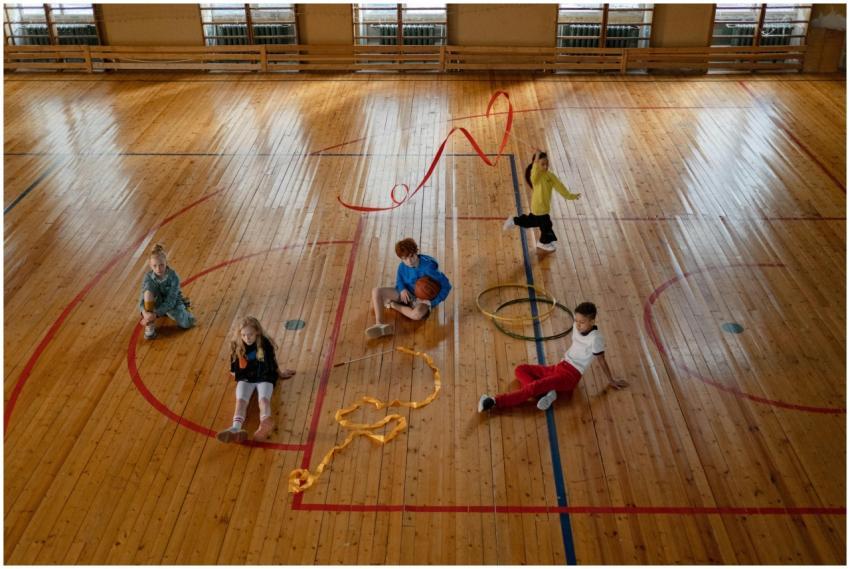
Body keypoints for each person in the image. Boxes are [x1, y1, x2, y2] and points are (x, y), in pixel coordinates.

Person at [478, 302, 627, 412]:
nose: (577, 325)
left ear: (592, 321)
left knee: (533, 387)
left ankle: (494, 401)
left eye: (582, 322)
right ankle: (548, 393)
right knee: (520, 369)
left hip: (570, 376)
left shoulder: (596, 339)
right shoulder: (577, 327)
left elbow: (601, 360)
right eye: (576, 320)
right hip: (559, 367)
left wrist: (611, 380)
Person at [217, 317, 295, 443]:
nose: (247, 338)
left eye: (250, 334)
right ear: (239, 334)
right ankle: (235, 429)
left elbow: (272, 362)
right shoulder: (236, 344)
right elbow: (233, 367)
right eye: (243, 335)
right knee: (241, 402)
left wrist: (280, 373)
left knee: (264, 400)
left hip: (264, 377)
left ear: (257, 332)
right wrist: (236, 372)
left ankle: (265, 422)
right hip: (246, 379)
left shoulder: (265, 344)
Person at [365, 237, 452, 339]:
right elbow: (399, 280)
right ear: (401, 258)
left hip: (422, 299)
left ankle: (391, 304)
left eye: (411, 256)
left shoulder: (428, 267)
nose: (409, 261)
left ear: (416, 252)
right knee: (376, 291)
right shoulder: (402, 266)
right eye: (405, 258)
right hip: (406, 295)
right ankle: (379, 324)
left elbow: (447, 286)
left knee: (416, 315)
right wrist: (402, 289)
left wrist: (431, 302)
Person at [503, 149, 580, 252]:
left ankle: (515, 221)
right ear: (536, 164)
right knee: (546, 224)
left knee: (532, 222)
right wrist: (535, 161)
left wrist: (570, 196)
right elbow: (533, 175)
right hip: (538, 207)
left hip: (545, 208)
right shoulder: (536, 177)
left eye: (546, 164)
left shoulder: (550, 176)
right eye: (542, 164)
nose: (545, 167)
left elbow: (560, 187)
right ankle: (543, 242)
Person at [139, 243, 195, 339]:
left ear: (166, 262)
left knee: (186, 324)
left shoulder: (174, 277)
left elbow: (171, 301)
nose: (158, 269)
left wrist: (155, 315)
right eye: (154, 266)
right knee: (147, 293)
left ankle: (185, 307)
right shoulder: (148, 277)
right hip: (157, 302)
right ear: (150, 265)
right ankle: (150, 327)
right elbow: (142, 300)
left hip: (172, 303)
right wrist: (146, 314)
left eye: (161, 265)